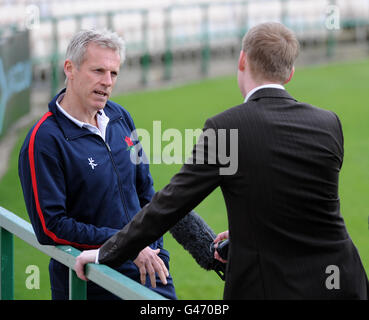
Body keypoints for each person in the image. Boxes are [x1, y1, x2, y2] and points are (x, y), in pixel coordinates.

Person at [75, 22, 369, 299]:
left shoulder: (226, 127)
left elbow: (171, 204)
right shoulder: (329, 122)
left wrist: (105, 253)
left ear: (242, 60)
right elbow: (305, 200)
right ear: (290, 73)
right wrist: (248, 226)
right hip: (345, 280)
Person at [18, 29, 176, 300]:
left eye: (113, 73)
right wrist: (125, 244)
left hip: (149, 266)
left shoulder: (119, 116)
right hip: (90, 279)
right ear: (70, 68)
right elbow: (50, 226)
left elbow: (145, 191)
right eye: (98, 71)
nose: (107, 82)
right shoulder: (43, 140)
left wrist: (150, 244)